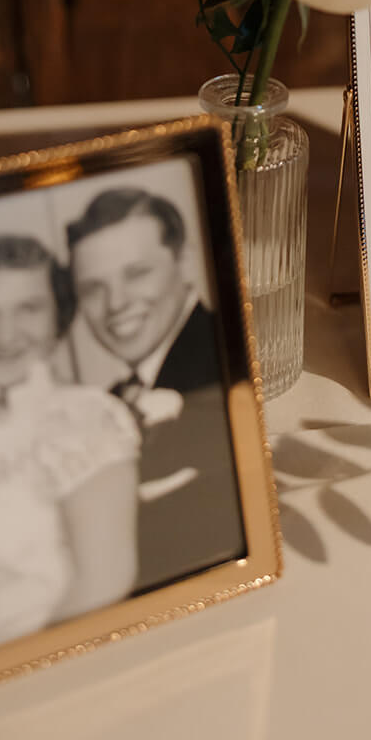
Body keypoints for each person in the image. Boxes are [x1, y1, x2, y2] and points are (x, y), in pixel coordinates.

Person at [67, 187, 244, 593]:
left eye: (136, 273)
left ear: (183, 260)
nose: (115, 303)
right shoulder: (113, 399)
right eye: (93, 288)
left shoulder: (224, 367)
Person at [0, 234, 139, 652]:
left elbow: (103, 589)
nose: (4, 335)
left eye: (28, 309)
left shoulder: (82, 421)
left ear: (57, 320)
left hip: (47, 672)